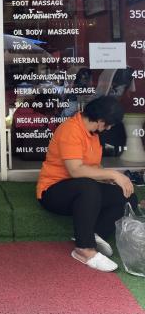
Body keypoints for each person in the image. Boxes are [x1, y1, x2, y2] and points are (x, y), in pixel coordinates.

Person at [36, 96, 138, 272]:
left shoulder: (93, 134)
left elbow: (92, 168)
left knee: (127, 195)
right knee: (87, 187)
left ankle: (94, 234)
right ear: (101, 121)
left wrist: (111, 179)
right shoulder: (70, 129)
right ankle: (84, 249)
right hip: (53, 192)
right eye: (109, 124)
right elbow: (75, 171)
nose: (110, 128)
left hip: (82, 190)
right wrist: (112, 174)